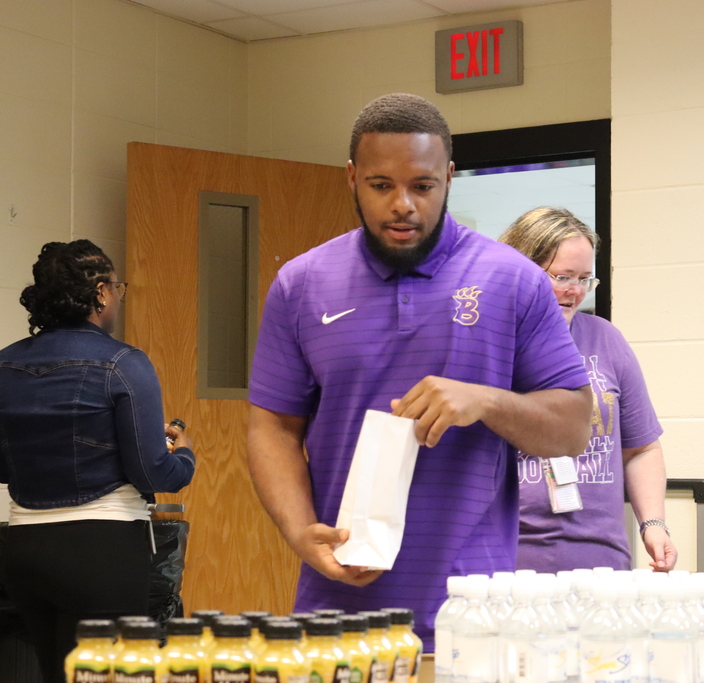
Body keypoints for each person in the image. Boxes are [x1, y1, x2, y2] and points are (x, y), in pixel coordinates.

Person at [246, 93, 592, 647]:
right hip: (340, 608)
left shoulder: (513, 280)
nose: (402, 204)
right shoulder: (301, 283)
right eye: (381, 185)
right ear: (352, 179)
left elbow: (575, 426)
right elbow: (272, 427)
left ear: (449, 178)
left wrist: (487, 401)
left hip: (475, 617)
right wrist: (297, 529)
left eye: (423, 186)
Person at [0, 240, 195, 683]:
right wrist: (186, 454)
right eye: (118, 288)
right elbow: (153, 472)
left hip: (24, 552)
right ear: (100, 293)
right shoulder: (124, 363)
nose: (118, 297)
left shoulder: (2, 366)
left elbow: (2, 468)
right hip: (103, 553)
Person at [499, 207, 676, 573]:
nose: (573, 291)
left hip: (601, 560)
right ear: (521, 270)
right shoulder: (490, 344)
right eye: (562, 276)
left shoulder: (605, 338)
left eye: (584, 279)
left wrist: (653, 524)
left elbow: (641, 449)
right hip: (509, 562)